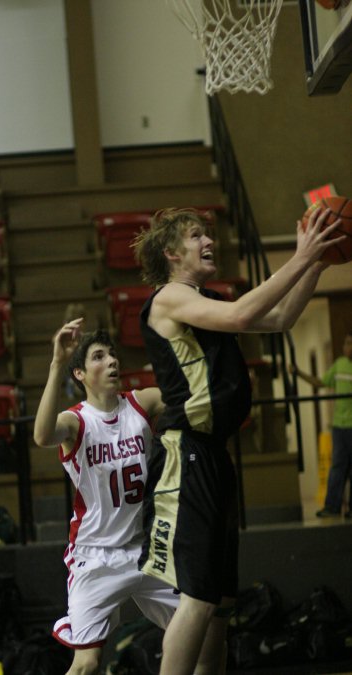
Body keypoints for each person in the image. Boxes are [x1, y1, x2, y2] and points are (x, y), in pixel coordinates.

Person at [131, 206, 344, 675]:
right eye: (194, 236)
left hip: (215, 456)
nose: (208, 240)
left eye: (207, 233)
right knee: (199, 599)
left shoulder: (203, 301)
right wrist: (300, 253)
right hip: (184, 456)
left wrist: (316, 265)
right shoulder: (169, 297)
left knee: (220, 608)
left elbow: (281, 318)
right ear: (171, 252)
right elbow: (245, 313)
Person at [34, 320, 213, 675]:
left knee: (206, 639)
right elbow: (41, 435)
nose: (112, 361)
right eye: (99, 356)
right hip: (95, 555)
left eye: (113, 354)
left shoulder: (140, 402)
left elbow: (187, 394)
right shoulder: (77, 422)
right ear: (81, 374)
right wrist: (56, 365)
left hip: (147, 549)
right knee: (86, 664)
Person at [291, 331, 352, 519]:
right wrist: (298, 372)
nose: (347, 347)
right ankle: (332, 507)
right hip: (340, 426)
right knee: (337, 467)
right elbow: (319, 383)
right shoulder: (339, 365)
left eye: (350, 343)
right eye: (346, 343)